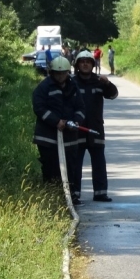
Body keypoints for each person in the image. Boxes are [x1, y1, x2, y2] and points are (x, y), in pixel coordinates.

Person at [32, 55, 86, 205]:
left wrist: (75, 121)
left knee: (71, 167)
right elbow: (39, 107)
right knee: (51, 167)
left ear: (68, 72)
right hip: (48, 137)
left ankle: (71, 197)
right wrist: (56, 121)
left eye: (63, 73)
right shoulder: (44, 87)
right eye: (57, 73)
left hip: (69, 137)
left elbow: (81, 108)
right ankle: (51, 197)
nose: (61, 76)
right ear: (52, 72)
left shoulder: (73, 87)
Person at [70, 50, 119, 202]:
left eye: (88, 61)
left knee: (99, 161)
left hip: (96, 128)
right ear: (77, 65)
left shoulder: (99, 82)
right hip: (77, 129)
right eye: (82, 61)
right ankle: (74, 193)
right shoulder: (71, 82)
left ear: (92, 64)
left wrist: (108, 83)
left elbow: (113, 95)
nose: (85, 64)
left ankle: (100, 193)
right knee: (75, 163)